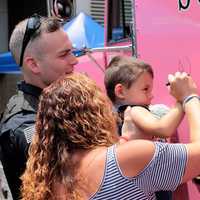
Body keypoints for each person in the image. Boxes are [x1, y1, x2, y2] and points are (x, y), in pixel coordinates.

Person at [21, 72, 200, 200]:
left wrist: (124, 142)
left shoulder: (48, 182)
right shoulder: (126, 158)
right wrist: (189, 97)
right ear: (97, 114)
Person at [0, 14, 78, 200]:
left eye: (72, 51)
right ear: (33, 64)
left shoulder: (59, 103)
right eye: (64, 54)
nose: (74, 60)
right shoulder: (24, 123)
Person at [104, 55, 184, 141]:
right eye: (145, 89)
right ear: (120, 92)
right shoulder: (135, 110)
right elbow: (163, 129)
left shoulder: (112, 118)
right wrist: (182, 100)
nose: (151, 96)